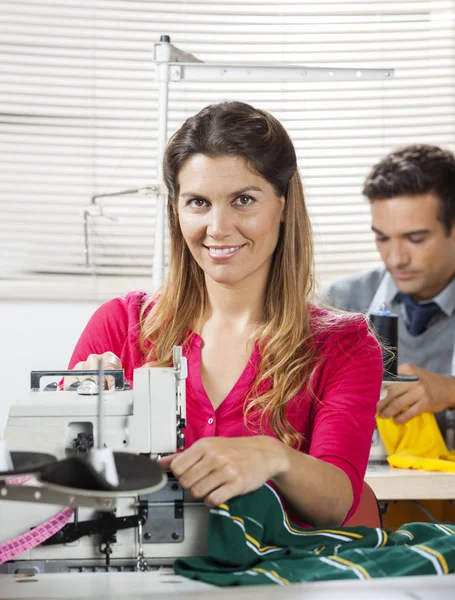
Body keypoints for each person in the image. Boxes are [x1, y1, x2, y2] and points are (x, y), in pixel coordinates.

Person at [67, 101, 382, 528]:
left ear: (284, 204)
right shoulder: (120, 326)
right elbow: (62, 483)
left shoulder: (343, 345)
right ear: (176, 211)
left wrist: (273, 458)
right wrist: (83, 410)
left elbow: (337, 502)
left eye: (243, 200)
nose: (217, 227)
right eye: (198, 202)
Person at [326, 144, 455, 440]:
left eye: (416, 239)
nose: (396, 259)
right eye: (382, 238)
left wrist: (451, 391)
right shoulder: (339, 304)